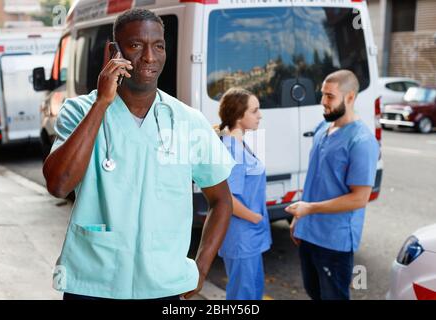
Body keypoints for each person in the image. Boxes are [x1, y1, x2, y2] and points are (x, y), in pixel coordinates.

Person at [43, 9, 235, 300]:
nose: (149, 57)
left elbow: (221, 201)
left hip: (163, 286)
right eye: (136, 45)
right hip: (94, 283)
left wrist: (202, 268)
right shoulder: (79, 111)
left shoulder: (187, 121)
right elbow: (59, 185)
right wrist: (101, 103)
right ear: (113, 52)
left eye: (158, 46)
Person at [286, 70, 379, 300]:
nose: (323, 102)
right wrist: (300, 219)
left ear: (350, 97)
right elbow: (315, 181)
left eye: (330, 96)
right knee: (313, 292)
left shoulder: (362, 141)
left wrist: (310, 209)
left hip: (334, 242)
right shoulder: (322, 128)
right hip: (309, 234)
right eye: (323, 95)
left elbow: (359, 198)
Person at [215, 88, 272, 300]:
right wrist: (255, 218)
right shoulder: (231, 149)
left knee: (252, 293)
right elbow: (226, 198)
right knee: (243, 296)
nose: (260, 115)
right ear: (239, 116)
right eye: (255, 111)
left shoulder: (238, 143)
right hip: (242, 237)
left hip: (249, 236)